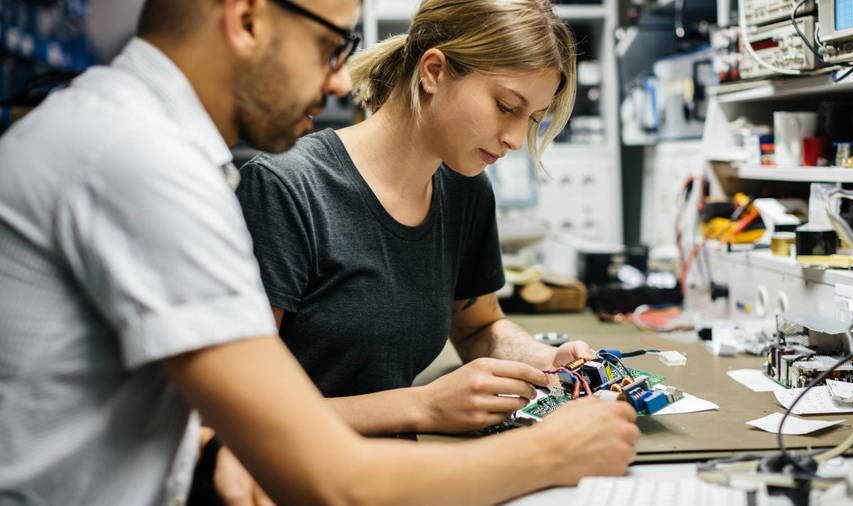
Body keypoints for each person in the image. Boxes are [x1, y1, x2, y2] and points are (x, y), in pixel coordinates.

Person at [0, 1, 639, 505]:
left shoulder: (139, 143)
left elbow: (219, 422)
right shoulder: (138, 161)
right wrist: (552, 451)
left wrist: (538, 367)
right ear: (246, 20)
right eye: (330, 46)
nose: (340, 79)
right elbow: (333, 476)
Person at [236, 0, 607, 435]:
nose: (515, 140)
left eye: (532, 119)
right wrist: (423, 406)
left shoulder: (465, 191)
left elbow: (478, 327)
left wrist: (542, 360)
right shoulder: (285, 188)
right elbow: (244, 409)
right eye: (506, 106)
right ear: (434, 72)